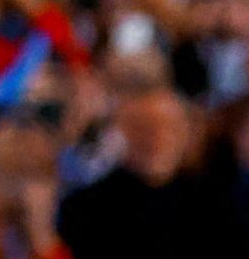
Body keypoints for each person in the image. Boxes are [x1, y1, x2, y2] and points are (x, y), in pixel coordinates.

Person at [56, 90, 211, 259]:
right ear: (119, 134)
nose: (158, 138)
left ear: (185, 134)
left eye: (169, 127)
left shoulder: (213, 204)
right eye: (143, 128)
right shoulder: (82, 209)